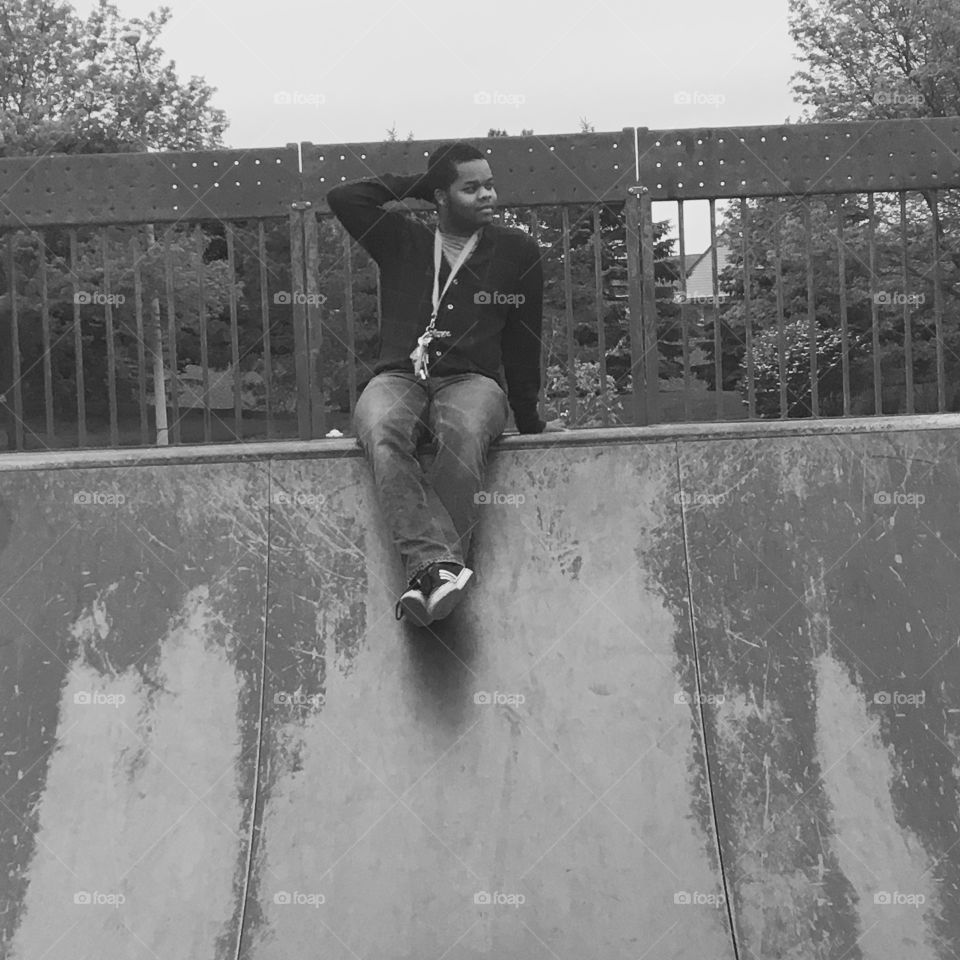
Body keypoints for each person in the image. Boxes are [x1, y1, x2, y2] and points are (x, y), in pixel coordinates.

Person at [327, 141, 565, 627]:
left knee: (462, 433)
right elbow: (344, 197)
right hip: (400, 376)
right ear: (440, 196)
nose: (487, 196)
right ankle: (441, 573)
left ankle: (428, 576)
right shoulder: (402, 240)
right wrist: (421, 183)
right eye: (471, 187)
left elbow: (524, 340)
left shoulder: (515, 250)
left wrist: (530, 417)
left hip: (473, 381)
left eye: (490, 185)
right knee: (380, 426)